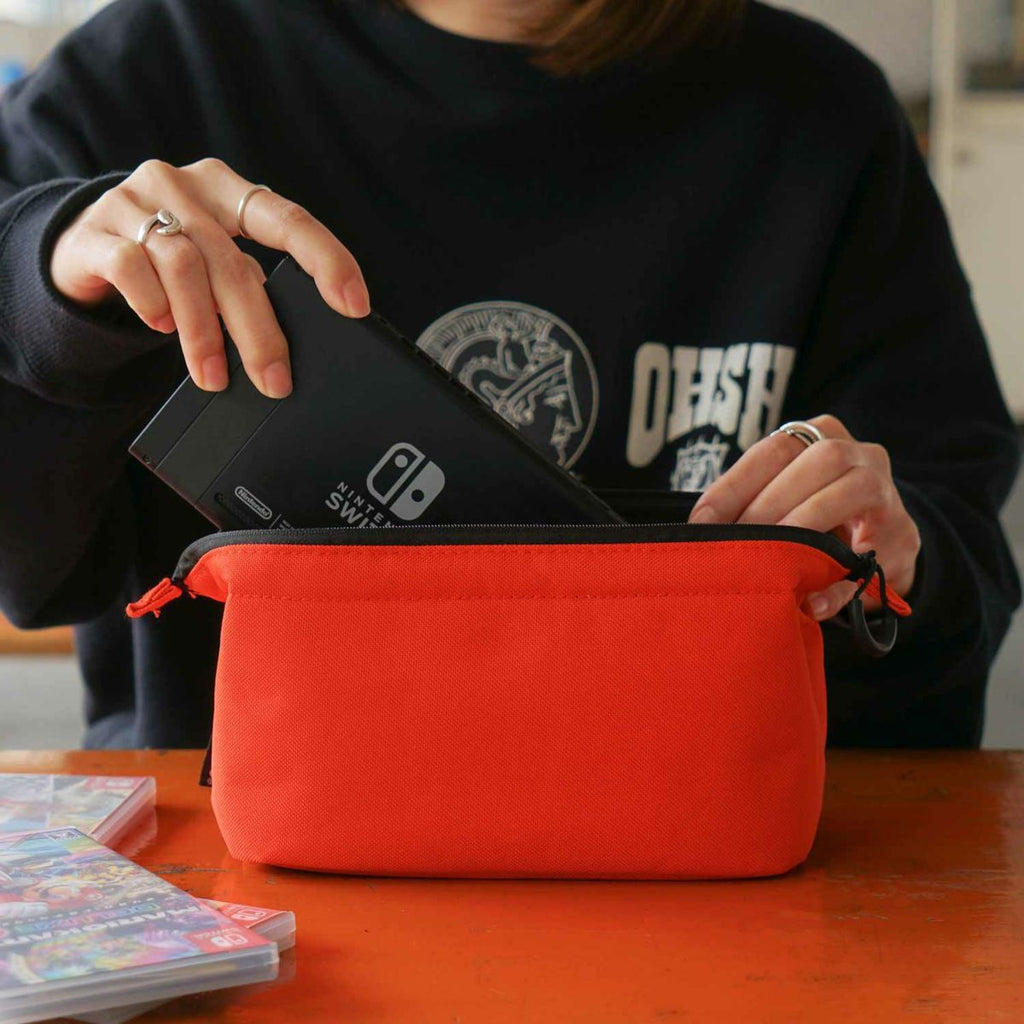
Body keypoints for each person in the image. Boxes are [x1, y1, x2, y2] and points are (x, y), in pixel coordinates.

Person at [0, 0, 1018, 749]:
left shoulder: (817, 117)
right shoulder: (145, 75)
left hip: (709, 855)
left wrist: (895, 564)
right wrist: (54, 284)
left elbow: (948, 564)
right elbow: (35, 567)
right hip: (246, 871)